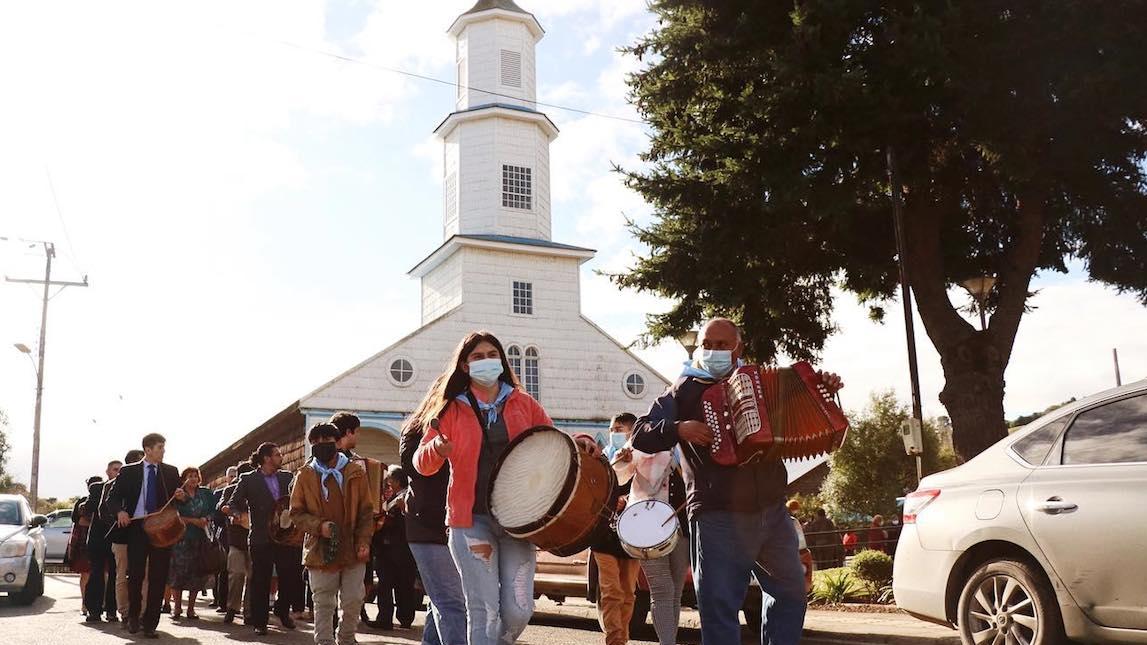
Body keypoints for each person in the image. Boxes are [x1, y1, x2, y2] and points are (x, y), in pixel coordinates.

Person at [631, 318, 843, 645]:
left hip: (771, 510)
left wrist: (822, 390)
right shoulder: (682, 390)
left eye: (722, 345)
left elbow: (803, 407)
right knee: (719, 607)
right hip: (717, 514)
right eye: (707, 345)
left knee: (791, 593)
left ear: (738, 348)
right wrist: (678, 429)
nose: (713, 351)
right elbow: (640, 435)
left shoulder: (759, 381)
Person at [413, 330, 553, 645]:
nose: (486, 361)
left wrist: (583, 444)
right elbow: (421, 462)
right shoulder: (451, 409)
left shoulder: (525, 404)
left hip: (520, 520)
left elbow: (552, 443)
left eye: (492, 355)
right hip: (470, 522)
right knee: (483, 612)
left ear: (502, 361)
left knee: (519, 609)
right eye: (477, 356)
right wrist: (437, 448)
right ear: (464, 366)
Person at [290, 422, 375, 645]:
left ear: (337, 443)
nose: (319, 446)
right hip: (320, 550)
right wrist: (319, 527)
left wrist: (364, 540)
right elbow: (296, 513)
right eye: (315, 443)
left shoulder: (356, 472)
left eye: (325, 441)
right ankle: (324, 642)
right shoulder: (304, 475)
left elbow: (367, 511)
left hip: (353, 548)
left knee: (353, 600)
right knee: (323, 602)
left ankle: (346, 639)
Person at [399, 375, 467, 645]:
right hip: (427, 526)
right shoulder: (417, 429)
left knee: (440, 601)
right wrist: (438, 450)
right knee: (451, 603)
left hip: (457, 523)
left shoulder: (467, 424)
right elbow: (411, 466)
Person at [611, 414, 690, 645]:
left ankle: (669, 640)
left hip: (682, 522)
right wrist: (622, 458)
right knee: (662, 588)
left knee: (675, 590)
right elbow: (620, 472)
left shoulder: (690, 438)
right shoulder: (643, 435)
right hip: (646, 523)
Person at [103, 433, 185, 638]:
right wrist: (120, 512)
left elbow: (176, 501)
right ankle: (133, 617)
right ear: (147, 449)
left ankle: (150, 623)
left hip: (162, 530)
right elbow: (112, 499)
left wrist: (181, 498)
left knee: (158, 577)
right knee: (136, 575)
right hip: (137, 528)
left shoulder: (171, 471)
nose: (163, 451)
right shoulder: (129, 472)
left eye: (163, 447)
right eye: (159, 447)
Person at [574, 414, 642, 645]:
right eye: (611, 429)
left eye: (619, 429)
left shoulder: (643, 458)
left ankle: (623, 636)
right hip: (604, 536)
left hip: (632, 535)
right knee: (611, 591)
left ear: (632, 432)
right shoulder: (603, 460)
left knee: (628, 593)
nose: (614, 433)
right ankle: (615, 640)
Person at [222, 443, 302, 636]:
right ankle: (260, 622)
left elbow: (298, 499)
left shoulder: (287, 477)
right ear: (266, 458)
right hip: (259, 537)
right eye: (277, 455)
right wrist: (238, 515)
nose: (281, 457)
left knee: (290, 576)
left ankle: (282, 610)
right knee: (260, 580)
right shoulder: (248, 479)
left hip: (285, 536)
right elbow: (232, 503)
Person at [370, 465, 420, 630]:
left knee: (402, 585)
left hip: (401, 549)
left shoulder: (406, 497)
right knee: (386, 585)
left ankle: (403, 618)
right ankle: (387, 618)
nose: (387, 483)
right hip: (388, 550)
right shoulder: (388, 499)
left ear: (397, 481)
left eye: (390, 480)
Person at [103, 449, 145, 625]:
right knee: (122, 574)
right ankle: (125, 612)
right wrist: (120, 515)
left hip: (143, 534)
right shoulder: (115, 483)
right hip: (121, 535)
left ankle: (141, 613)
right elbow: (105, 509)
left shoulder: (148, 480)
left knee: (142, 575)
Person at [168, 467, 214, 619]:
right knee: (178, 573)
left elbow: (213, 510)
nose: (193, 479)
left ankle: (191, 609)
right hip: (181, 538)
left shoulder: (206, 493)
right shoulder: (178, 494)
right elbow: (174, 515)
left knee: (197, 573)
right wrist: (193, 521)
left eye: (195, 476)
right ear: (183, 479)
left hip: (200, 538)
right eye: (189, 476)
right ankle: (177, 608)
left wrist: (206, 519)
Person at [84, 461, 122, 622]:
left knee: (115, 575)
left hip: (117, 537)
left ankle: (112, 611)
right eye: (115, 470)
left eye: (121, 470)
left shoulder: (126, 489)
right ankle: (94, 610)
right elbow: (88, 508)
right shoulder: (97, 487)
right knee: (96, 573)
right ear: (107, 471)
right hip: (98, 538)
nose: (118, 473)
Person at [217, 462, 254, 624]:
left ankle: (249, 612)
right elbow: (221, 505)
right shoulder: (230, 490)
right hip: (236, 540)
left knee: (253, 577)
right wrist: (232, 513)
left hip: (255, 540)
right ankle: (232, 608)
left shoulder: (258, 490)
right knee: (236, 574)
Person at [70, 476, 100, 615]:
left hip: (102, 540)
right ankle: (85, 603)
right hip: (84, 542)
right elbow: (79, 521)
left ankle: (101, 603)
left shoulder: (106, 498)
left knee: (103, 573)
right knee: (86, 573)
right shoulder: (82, 502)